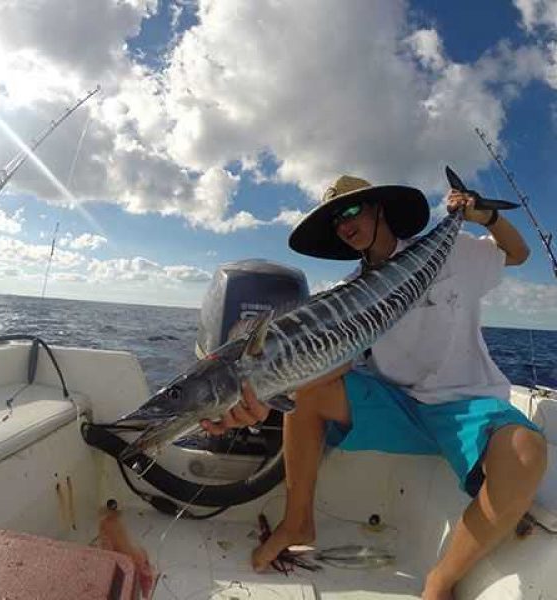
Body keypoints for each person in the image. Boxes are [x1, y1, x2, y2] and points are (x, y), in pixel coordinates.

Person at [201, 175, 547, 600]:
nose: (343, 226)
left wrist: (486, 216)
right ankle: (297, 520)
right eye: (334, 222)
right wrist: (260, 400)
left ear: (379, 208)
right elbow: (332, 365)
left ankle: (441, 579)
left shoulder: (453, 251)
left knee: (526, 452)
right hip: (399, 406)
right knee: (305, 395)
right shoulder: (346, 293)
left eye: (350, 211)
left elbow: (518, 252)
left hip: (467, 404)